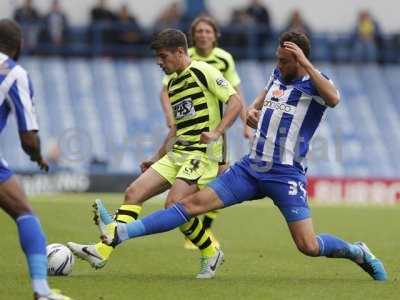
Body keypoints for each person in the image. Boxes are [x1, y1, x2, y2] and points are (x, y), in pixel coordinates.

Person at [92, 31, 387, 282]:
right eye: (277, 58)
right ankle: (121, 234)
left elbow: (334, 99)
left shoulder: (314, 82)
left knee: (308, 246)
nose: (278, 64)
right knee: (189, 205)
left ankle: (356, 251)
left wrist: (307, 65)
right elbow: (260, 96)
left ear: (299, 60)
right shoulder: (277, 74)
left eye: (285, 61)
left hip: (285, 174)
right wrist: (253, 111)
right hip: (251, 167)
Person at [68, 28, 242, 279]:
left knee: (174, 205)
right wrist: (156, 157)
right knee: (134, 192)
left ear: (180, 52)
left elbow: (235, 102)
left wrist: (217, 132)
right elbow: (177, 128)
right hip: (179, 152)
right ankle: (101, 252)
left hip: (203, 155)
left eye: (163, 56)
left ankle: (210, 250)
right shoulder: (173, 84)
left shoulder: (204, 71)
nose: (159, 62)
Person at [160, 16, 252, 250]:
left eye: (207, 31)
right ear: (193, 35)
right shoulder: (181, 56)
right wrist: (171, 120)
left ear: (215, 35)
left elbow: (236, 94)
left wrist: (246, 124)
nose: (203, 35)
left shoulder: (223, 59)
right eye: (199, 31)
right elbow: (165, 90)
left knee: (219, 179)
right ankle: (195, 227)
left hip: (218, 129)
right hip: (192, 130)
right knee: (201, 184)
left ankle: (205, 228)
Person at [0, 19, 71, 299]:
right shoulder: (14, 73)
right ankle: (41, 290)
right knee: (24, 212)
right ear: (19, 46)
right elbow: (28, 137)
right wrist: (37, 155)